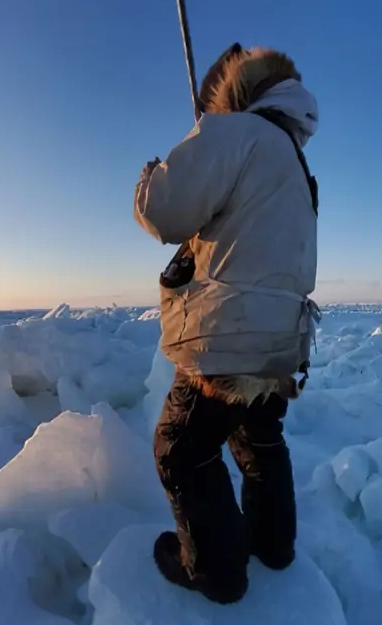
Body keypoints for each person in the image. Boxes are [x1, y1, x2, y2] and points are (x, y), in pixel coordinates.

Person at [133, 44, 320, 604]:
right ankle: (272, 545)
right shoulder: (292, 161)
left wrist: (153, 173)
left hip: (225, 334)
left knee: (180, 449)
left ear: (238, 92)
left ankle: (215, 571)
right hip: (281, 340)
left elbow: (164, 211)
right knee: (260, 438)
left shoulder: (233, 133)